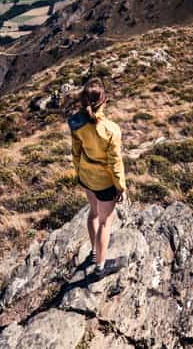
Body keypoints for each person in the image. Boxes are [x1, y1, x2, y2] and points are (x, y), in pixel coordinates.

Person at [66, 77, 128, 277]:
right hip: (104, 182)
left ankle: (94, 252)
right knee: (105, 222)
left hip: (86, 174)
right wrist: (121, 187)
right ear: (104, 101)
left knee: (93, 213)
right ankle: (100, 267)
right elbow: (115, 163)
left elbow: (76, 152)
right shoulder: (111, 130)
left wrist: (78, 173)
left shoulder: (76, 123)